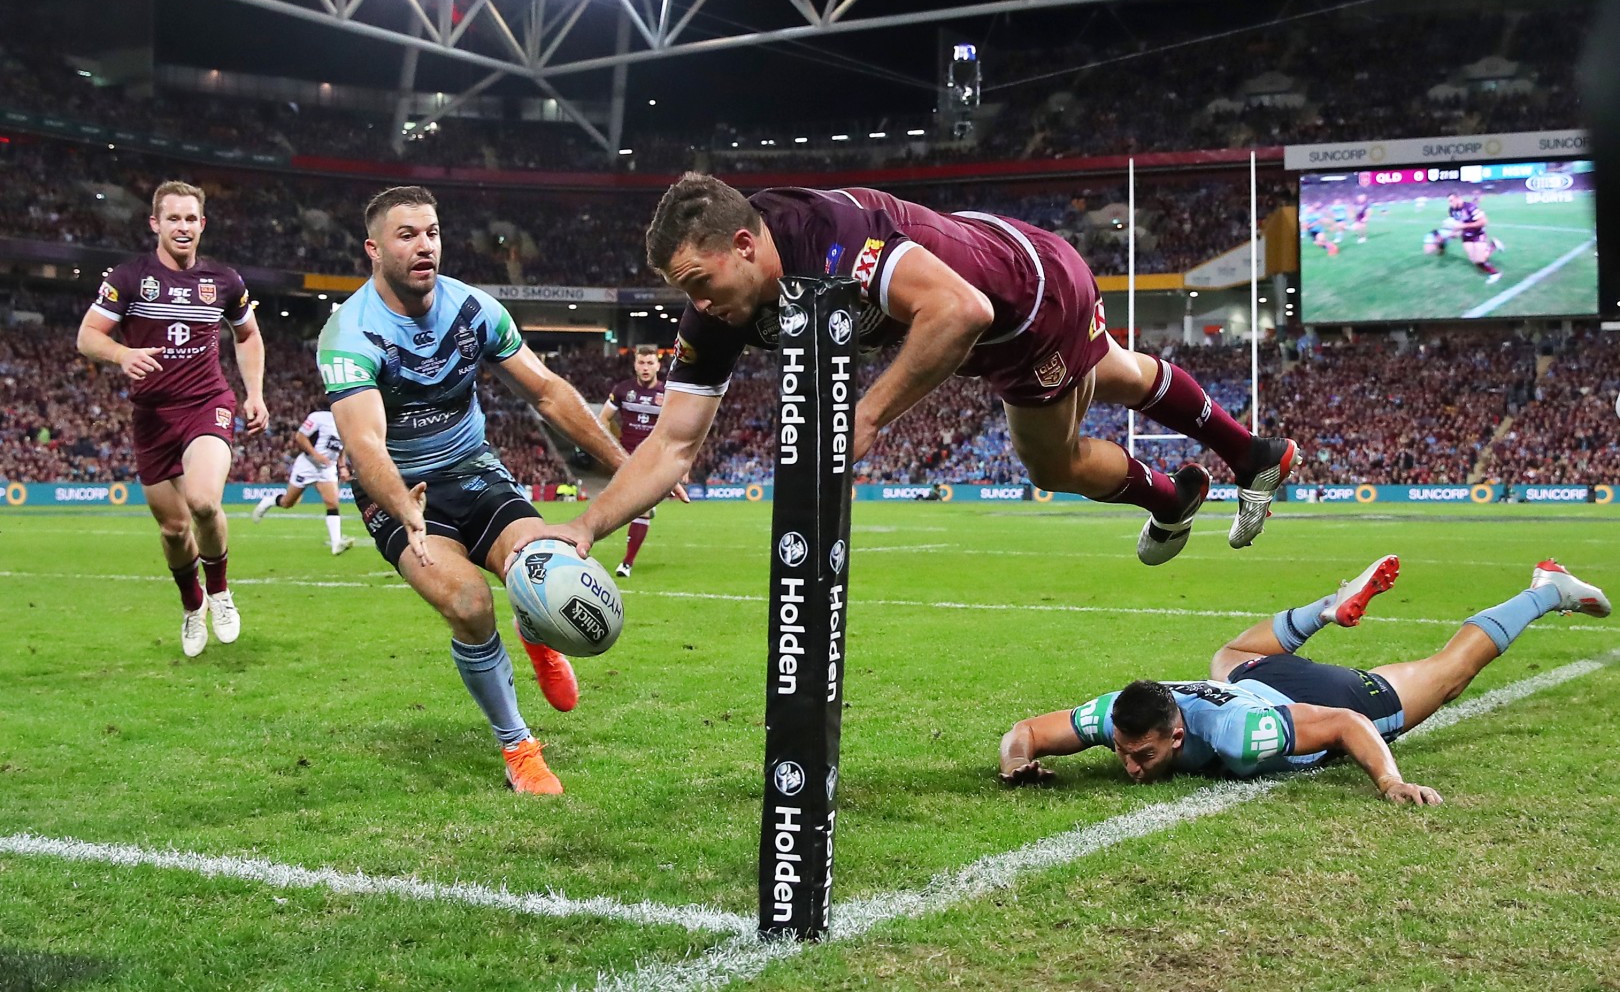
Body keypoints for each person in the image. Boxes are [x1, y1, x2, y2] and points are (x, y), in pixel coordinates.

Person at [538, 174, 1296, 567]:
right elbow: (672, 444)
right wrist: (586, 525)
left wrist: (864, 417)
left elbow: (959, 312)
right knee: (1119, 375)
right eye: (683, 290)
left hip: (1024, 299)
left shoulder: (832, 238)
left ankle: (1169, 498)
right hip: (1008, 255)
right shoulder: (719, 307)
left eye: (699, 282)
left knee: (1048, 458)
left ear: (744, 244)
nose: (695, 303)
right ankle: (1250, 454)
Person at [318, 185, 633, 796]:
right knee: (467, 605)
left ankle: (535, 632)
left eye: (432, 232)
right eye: (406, 235)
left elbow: (546, 391)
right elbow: (364, 443)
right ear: (374, 249)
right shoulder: (349, 332)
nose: (424, 245)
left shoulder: (474, 310)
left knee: (546, 563)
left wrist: (624, 461)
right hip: (403, 495)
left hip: (476, 470)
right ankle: (519, 746)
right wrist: (402, 503)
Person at [998, 555, 1610, 803]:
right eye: (1128, 755)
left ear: (1178, 736)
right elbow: (1025, 729)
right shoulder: (1117, 714)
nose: (1131, 768)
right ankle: (1324, 608)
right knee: (1228, 652)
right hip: (1252, 672)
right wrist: (1015, 764)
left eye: (1145, 755)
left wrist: (1390, 781)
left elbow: (1345, 724)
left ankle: (1544, 589)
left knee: (1446, 675)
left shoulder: (1243, 735)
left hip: (1315, 699)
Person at [76, 180, 268, 658]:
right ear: (155, 224)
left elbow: (247, 337)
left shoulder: (225, 280)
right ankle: (192, 603)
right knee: (173, 529)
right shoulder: (128, 278)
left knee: (203, 501)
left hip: (208, 402)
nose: (182, 227)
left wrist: (255, 394)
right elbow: (87, 336)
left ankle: (220, 591)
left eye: (191, 219)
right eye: (173, 219)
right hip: (152, 416)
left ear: (202, 224)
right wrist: (121, 353)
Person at [597, 344, 667, 578]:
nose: (645, 367)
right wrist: (609, 448)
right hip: (626, 458)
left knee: (641, 510)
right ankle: (648, 505)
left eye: (650, 363)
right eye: (641, 362)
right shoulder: (622, 390)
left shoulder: (667, 394)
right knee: (623, 507)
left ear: (658, 365)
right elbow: (604, 418)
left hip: (654, 459)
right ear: (634, 364)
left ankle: (626, 563)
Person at [251, 402, 356, 555]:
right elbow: (300, 437)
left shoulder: (347, 424)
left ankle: (336, 543)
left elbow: (341, 447)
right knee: (288, 502)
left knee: (332, 502)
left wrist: (342, 467)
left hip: (327, 468)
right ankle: (269, 501)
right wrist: (316, 455)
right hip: (307, 465)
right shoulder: (319, 417)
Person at [1447, 192, 1504, 283]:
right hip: (1465, 236)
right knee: (1474, 260)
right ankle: (1493, 246)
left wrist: (1463, 226)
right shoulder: (1452, 210)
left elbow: (1483, 221)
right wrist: (1453, 233)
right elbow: (1456, 224)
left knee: (1479, 260)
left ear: (1458, 198)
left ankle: (1495, 274)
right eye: (1449, 201)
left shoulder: (1470, 207)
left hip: (1478, 234)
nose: (1450, 203)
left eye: (1451, 201)